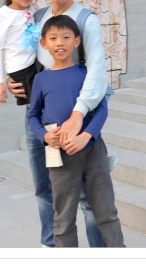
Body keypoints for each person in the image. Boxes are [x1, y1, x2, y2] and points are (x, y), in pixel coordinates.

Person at [6, 0, 113, 247]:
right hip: (40, 120)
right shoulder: (38, 17)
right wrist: (10, 79)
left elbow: (97, 72)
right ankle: (51, 245)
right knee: (44, 189)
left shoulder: (86, 20)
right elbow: (21, 54)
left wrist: (78, 115)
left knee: (88, 198)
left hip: (73, 119)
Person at [27, 15, 125, 247]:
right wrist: (45, 136)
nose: (60, 43)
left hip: (92, 151)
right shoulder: (41, 80)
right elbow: (32, 115)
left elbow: (101, 108)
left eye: (66, 37)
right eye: (53, 38)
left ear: (77, 41)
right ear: (44, 44)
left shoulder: (87, 74)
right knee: (64, 216)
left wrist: (86, 137)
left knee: (106, 210)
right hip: (59, 154)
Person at [0, 0, 41, 107]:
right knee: (36, 109)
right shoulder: (3, 16)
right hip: (21, 71)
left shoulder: (31, 10)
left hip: (35, 65)